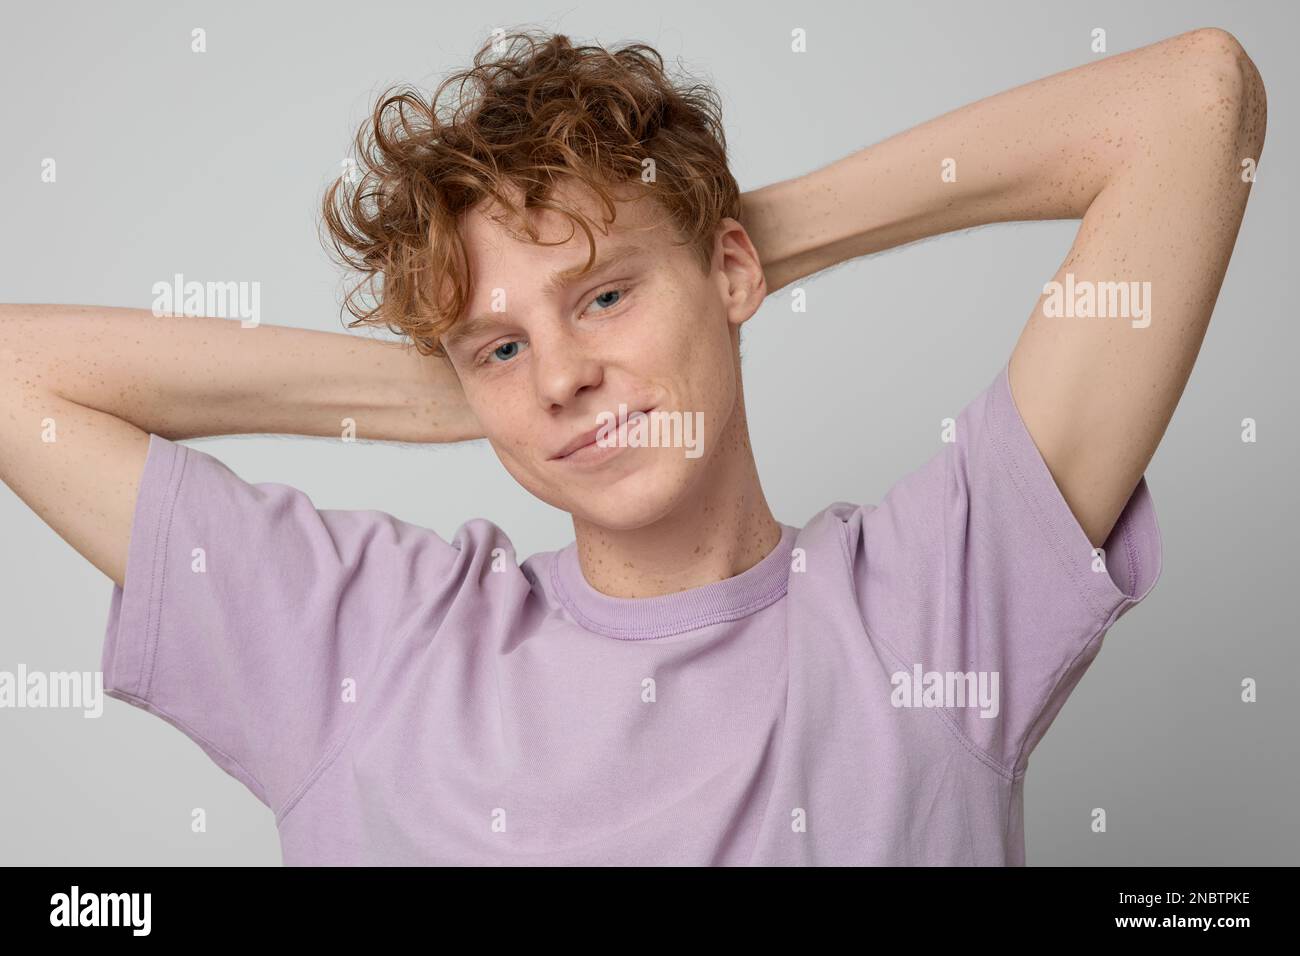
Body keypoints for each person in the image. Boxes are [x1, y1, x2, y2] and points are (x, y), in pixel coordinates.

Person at [0, 26, 1265, 865]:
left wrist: (738, 230)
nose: (560, 374)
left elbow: (1193, 103)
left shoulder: (936, 611)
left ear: (727, 269)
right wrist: (435, 386)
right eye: (501, 348)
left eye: (605, 294)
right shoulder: (368, 642)